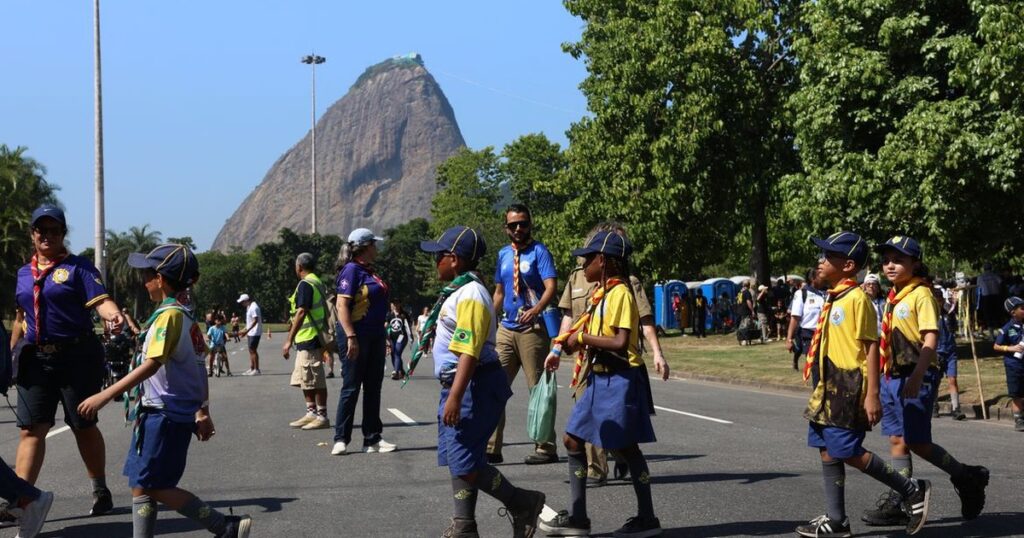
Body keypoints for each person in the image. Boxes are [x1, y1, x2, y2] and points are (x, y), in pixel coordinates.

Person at [74, 243, 251, 538]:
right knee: (142, 484)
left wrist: (104, 396)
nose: (143, 281)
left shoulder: (170, 316)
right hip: (165, 413)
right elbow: (198, 367)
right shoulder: (182, 315)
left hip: (163, 415)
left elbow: (153, 364)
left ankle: (224, 526)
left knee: (155, 486)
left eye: (147, 274)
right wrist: (203, 410)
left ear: (161, 278)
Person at [796, 231, 930, 537]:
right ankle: (837, 520)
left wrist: (872, 395)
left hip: (849, 386)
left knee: (847, 450)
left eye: (828, 256)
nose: (820, 261)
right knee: (826, 449)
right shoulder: (834, 297)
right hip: (827, 386)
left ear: (847, 265)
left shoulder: (857, 300)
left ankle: (910, 490)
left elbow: (872, 347)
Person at [415, 225, 546, 538]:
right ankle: (464, 525)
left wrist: (456, 397)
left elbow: (470, 352)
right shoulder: (461, 291)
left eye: (439, 257)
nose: (436, 263)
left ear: (455, 260)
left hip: (473, 384)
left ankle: (522, 503)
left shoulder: (471, 295)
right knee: (460, 457)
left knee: (465, 462)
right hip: (461, 383)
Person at [861, 236, 989, 528]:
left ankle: (966, 476)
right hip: (894, 375)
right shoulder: (895, 295)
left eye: (898, 260)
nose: (889, 265)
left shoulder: (921, 294)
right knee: (896, 439)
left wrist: (918, 375)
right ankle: (902, 495)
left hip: (916, 374)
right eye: (886, 260)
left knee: (917, 441)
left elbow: (930, 337)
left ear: (915, 263)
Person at [541, 231, 661, 538]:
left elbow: (621, 342)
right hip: (599, 377)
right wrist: (567, 345)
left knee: (625, 447)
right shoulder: (602, 294)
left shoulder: (620, 293)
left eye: (587, 259)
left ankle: (647, 517)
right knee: (572, 439)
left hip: (620, 377)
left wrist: (580, 338)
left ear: (603, 261)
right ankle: (579, 517)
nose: (583, 265)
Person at [10, 205, 121, 516]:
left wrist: (113, 316)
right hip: (35, 360)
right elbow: (21, 317)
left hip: (77, 357)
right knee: (31, 429)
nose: (47, 235)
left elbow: (102, 301)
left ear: (63, 234)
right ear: (32, 234)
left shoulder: (79, 268)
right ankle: (20, 501)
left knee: (82, 424)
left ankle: (100, 490)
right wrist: (10, 355)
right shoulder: (23, 273)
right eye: (41, 230)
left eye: (54, 230)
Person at [487, 204, 559, 465]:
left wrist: (537, 309)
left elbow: (551, 286)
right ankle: (492, 447)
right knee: (494, 386)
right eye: (513, 224)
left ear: (530, 224)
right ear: (506, 228)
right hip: (507, 328)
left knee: (538, 390)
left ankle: (546, 447)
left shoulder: (539, 251)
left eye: (523, 223)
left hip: (533, 330)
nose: (519, 228)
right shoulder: (503, 254)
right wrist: (489, 321)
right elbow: (499, 293)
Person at [332, 228, 395, 455]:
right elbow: (342, 306)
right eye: (374, 244)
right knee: (351, 386)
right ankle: (341, 438)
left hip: (375, 334)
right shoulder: (351, 270)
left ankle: (372, 439)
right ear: (365, 246)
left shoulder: (370, 271)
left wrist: (384, 335)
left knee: (373, 387)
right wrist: (351, 336)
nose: (376, 248)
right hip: (356, 334)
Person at [283, 252, 331, 431]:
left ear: (299, 267)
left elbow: (301, 312)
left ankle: (322, 415)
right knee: (305, 377)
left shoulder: (306, 284)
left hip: (310, 336)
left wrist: (288, 340)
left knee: (315, 378)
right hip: (308, 337)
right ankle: (311, 412)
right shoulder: (316, 281)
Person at [929, 279, 964, 420]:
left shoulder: (948, 313)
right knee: (935, 381)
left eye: (940, 298)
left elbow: (954, 328)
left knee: (952, 380)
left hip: (950, 351)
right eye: (936, 298)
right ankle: (934, 405)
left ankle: (956, 408)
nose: (939, 301)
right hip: (936, 351)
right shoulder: (931, 315)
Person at [787, 270, 826, 381]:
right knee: (816, 368)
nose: (823, 278)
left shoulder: (827, 293)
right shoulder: (801, 294)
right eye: (820, 276)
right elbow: (794, 318)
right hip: (810, 336)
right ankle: (817, 396)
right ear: (813, 279)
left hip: (827, 336)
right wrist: (789, 339)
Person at [993, 297, 1024, 432]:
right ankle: (1018, 419)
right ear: (1013, 312)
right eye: (1022, 308)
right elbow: (996, 346)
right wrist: (1011, 348)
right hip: (1014, 365)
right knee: (1016, 393)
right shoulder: (1006, 329)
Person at [236, 294, 262, 375]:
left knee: (253, 350)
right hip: (251, 332)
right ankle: (252, 368)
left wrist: (246, 331)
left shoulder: (254, 307)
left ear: (246, 300)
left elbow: (255, 321)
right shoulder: (249, 307)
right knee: (251, 350)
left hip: (255, 332)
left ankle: (257, 369)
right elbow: (249, 322)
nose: (242, 304)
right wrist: (244, 330)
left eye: (242, 302)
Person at [386, 300, 412, 380]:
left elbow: (409, 326)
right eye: (394, 304)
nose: (396, 305)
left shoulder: (404, 314)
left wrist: (411, 337)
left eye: (397, 303)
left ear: (400, 304)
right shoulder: (389, 314)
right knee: (393, 353)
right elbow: (386, 324)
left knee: (397, 352)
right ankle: (402, 372)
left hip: (402, 337)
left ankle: (396, 371)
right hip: (392, 337)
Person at [976, 263, 1002, 338]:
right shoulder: (995, 276)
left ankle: (991, 334)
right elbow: (1000, 283)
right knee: (996, 314)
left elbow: (979, 287)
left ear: (984, 269)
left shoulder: (980, 277)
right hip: (995, 296)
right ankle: (999, 333)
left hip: (986, 297)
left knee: (988, 315)